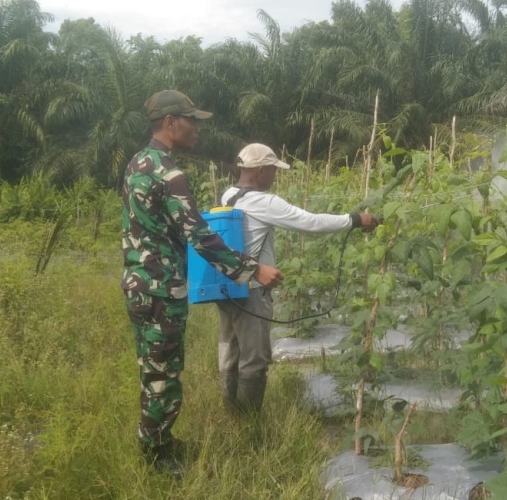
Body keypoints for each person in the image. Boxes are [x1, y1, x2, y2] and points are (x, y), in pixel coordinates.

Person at [121, 91, 284, 477]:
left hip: (140, 283)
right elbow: (199, 236)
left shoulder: (138, 162)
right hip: (159, 289)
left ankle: (161, 440)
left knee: (155, 367)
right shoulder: (168, 172)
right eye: (192, 120)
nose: (197, 127)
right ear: (171, 122)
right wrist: (252, 270)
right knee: (163, 374)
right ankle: (157, 459)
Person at [217, 143, 379, 416]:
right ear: (259, 170)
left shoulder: (229, 195)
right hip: (253, 290)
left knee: (231, 351)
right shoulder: (263, 201)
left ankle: (230, 413)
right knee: (254, 359)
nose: (275, 176)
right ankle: (248, 426)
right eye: (272, 170)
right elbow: (310, 222)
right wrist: (353, 220)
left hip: (229, 286)